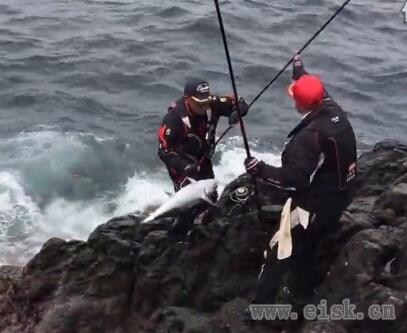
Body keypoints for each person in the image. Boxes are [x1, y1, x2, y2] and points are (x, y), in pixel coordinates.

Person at [244, 56, 357, 306]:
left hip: (313, 207)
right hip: (342, 195)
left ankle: (261, 310)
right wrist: (298, 69)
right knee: (308, 248)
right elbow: (313, 86)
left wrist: (259, 169)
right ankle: (305, 296)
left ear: (300, 104)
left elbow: (293, 181)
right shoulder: (332, 109)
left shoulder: (307, 139)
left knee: (278, 250)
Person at [158, 78, 249, 236]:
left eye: (206, 101)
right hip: (182, 167)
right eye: (199, 103)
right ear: (187, 99)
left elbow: (237, 101)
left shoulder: (212, 102)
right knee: (188, 206)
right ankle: (178, 235)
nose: (204, 105)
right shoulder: (174, 119)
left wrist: (239, 110)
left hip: (204, 158)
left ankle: (204, 228)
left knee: (210, 196)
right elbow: (164, 150)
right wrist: (184, 166)